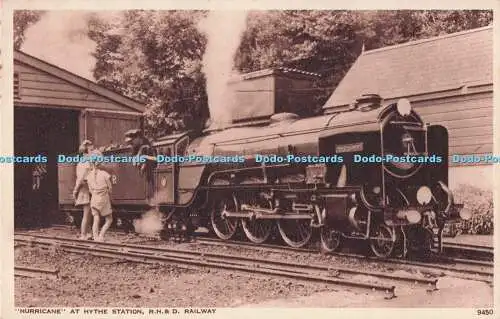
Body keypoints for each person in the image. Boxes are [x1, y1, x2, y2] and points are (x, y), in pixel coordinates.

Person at [86, 157, 113, 242]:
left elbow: (90, 190)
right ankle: (101, 235)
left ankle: (96, 237)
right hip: (103, 198)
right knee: (109, 219)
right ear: (100, 164)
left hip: (94, 198)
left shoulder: (89, 176)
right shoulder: (105, 174)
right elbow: (110, 188)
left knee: (96, 218)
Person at [72, 140, 94, 240]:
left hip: (87, 188)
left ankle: (88, 233)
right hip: (84, 188)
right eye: (90, 150)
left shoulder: (85, 162)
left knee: (88, 213)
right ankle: (83, 234)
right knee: (86, 213)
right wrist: (75, 190)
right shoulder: (84, 163)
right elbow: (80, 179)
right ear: (85, 152)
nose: (92, 152)